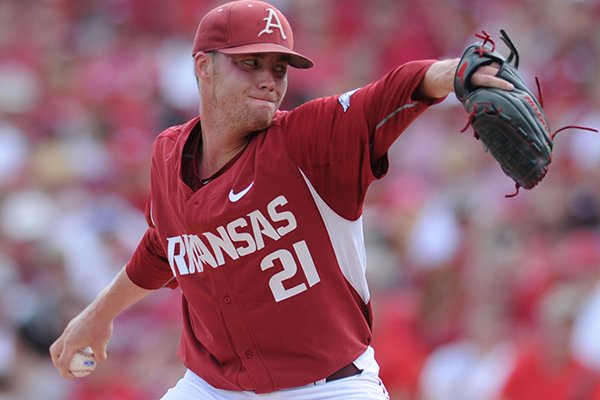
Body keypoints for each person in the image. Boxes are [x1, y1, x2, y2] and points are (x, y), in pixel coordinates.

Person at [49, 1, 513, 399]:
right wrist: (98, 315)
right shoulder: (168, 154)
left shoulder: (307, 141)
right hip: (212, 387)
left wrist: (456, 73)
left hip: (329, 385)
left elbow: (388, 93)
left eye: (278, 67)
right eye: (249, 63)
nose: (269, 79)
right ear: (203, 66)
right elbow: (163, 247)